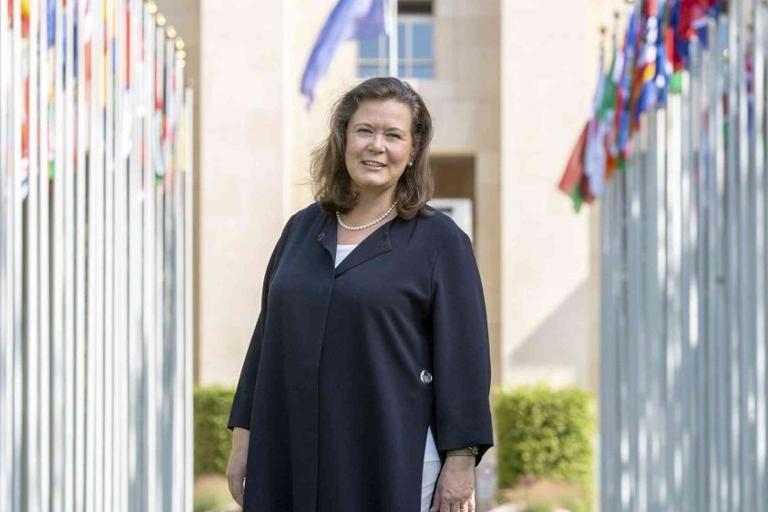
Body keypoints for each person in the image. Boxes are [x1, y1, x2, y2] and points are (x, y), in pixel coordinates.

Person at [226, 77, 493, 512]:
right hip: (290, 446)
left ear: (412, 152)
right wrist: (243, 439)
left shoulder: (440, 242)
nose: (376, 146)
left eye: (393, 135)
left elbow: (464, 358)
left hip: (391, 454)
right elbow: (264, 342)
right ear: (344, 139)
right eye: (365, 130)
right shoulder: (300, 230)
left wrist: (461, 464)